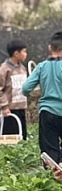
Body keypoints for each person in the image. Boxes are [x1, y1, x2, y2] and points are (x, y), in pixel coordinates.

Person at [22, 31, 62, 162]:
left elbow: (25, 88)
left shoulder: (41, 67)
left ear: (50, 48)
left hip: (47, 112)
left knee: (49, 150)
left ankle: (51, 177)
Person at [0, 39, 28, 139]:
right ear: (16, 53)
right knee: (8, 139)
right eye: (24, 51)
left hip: (20, 109)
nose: (26, 54)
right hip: (8, 111)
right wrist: (4, 107)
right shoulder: (4, 69)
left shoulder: (22, 68)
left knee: (21, 138)